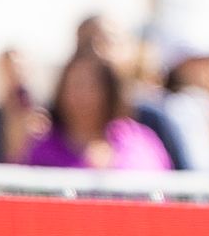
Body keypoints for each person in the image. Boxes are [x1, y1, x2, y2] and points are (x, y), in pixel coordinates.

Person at [23, 45, 173, 174]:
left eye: (93, 86)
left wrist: (113, 167)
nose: (83, 95)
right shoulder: (43, 147)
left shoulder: (137, 140)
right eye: (76, 85)